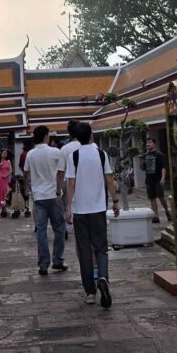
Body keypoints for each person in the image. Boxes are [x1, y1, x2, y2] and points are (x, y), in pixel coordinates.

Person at [61, 121, 120, 309]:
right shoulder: (101, 154)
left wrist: (68, 207)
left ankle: (90, 292)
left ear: (77, 138)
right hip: (98, 209)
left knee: (84, 250)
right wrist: (115, 201)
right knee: (101, 248)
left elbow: (70, 183)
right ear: (91, 136)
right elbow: (109, 179)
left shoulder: (74, 156)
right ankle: (103, 277)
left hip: (80, 210)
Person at [24, 126, 67, 276]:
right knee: (59, 229)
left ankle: (43, 264)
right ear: (45, 137)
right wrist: (59, 191)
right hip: (54, 195)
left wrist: (26, 188)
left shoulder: (30, 154)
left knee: (41, 230)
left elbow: (26, 173)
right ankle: (58, 260)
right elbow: (61, 173)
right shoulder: (56, 152)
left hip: (39, 197)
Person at [143, 136, 170, 224]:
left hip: (158, 179)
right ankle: (156, 215)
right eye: (147, 143)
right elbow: (142, 168)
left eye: (150, 142)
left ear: (154, 144)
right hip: (149, 179)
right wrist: (141, 162)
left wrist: (163, 178)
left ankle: (166, 210)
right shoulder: (145, 155)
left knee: (161, 197)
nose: (148, 144)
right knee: (152, 198)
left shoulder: (159, 154)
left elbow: (163, 167)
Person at [0, 148, 13, 217]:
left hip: (7, 179)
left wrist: (6, 175)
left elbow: (10, 170)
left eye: (6, 153)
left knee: (7, 194)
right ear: (0, 154)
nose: (4, 154)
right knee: (2, 194)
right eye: (3, 153)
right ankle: (3, 209)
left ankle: (5, 208)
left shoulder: (8, 161)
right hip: (1, 180)